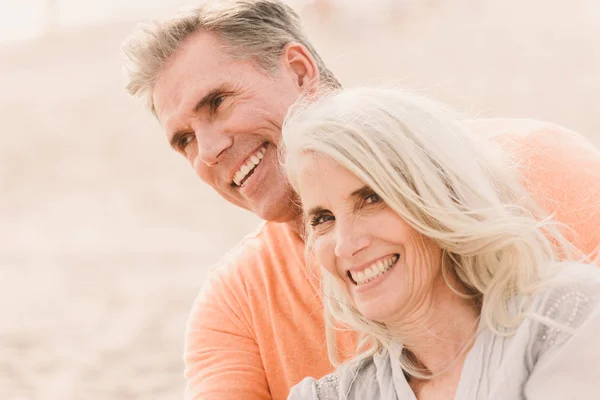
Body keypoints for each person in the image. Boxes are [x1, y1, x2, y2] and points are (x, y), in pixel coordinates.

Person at [120, 1, 600, 398]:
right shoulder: (236, 302)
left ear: (299, 70)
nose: (207, 151)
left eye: (218, 102)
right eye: (183, 140)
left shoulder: (542, 164)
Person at [281, 87, 600, 399]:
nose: (345, 245)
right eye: (323, 218)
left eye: (371, 198)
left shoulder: (566, 314)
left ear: (440, 192)